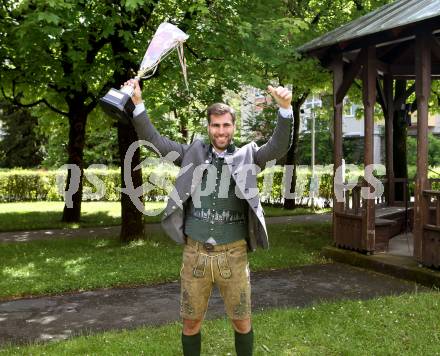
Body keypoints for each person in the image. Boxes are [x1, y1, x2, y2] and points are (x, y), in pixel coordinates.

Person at [124, 79, 293, 356]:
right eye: (216, 125)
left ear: (233, 127)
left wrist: (285, 109)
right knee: (190, 323)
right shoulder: (192, 152)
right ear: (209, 127)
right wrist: (138, 104)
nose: (221, 130)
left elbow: (277, 147)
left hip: (234, 255)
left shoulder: (247, 155)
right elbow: (154, 141)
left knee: (242, 321)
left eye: (226, 125)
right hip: (196, 254)